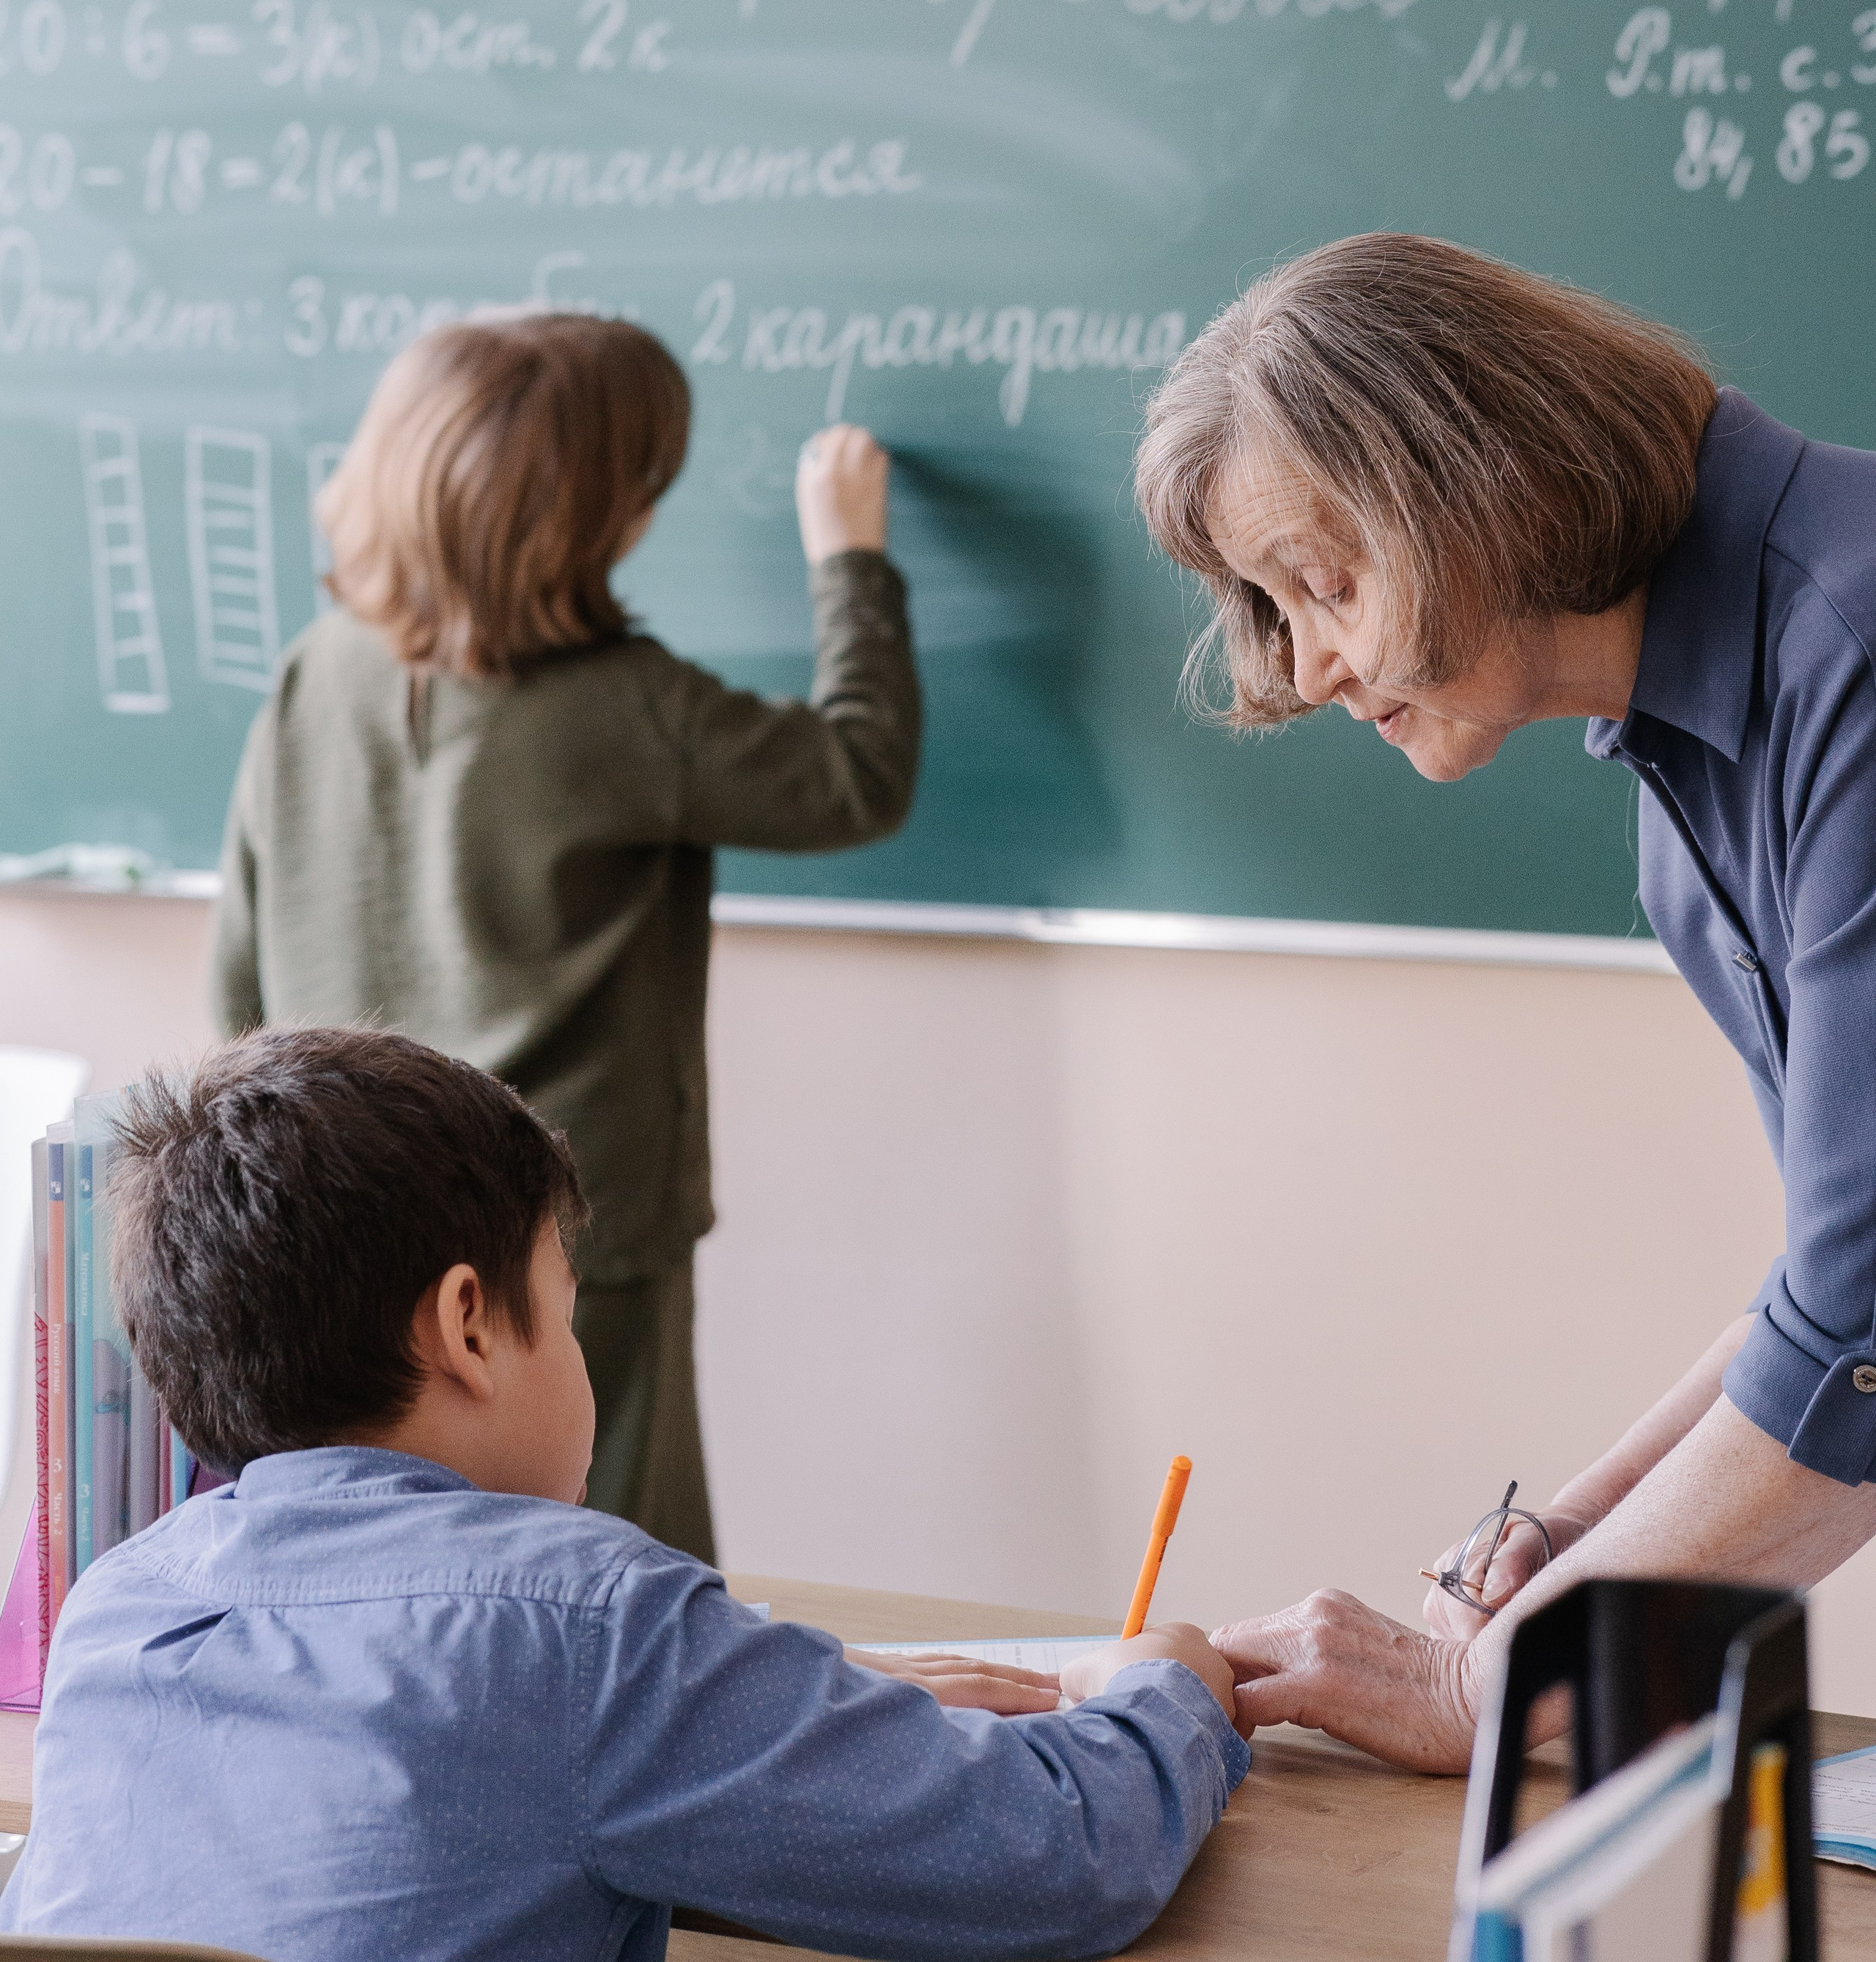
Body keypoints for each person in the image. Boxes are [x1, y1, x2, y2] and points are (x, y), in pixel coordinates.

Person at [0, 1028, 1246, 1959]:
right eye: (571, 1310)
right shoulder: (589, 1619)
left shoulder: (120, 1609)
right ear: (471, 1327)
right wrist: (1172, 1679)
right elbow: (1061, 1855)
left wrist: (788, 1695)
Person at [1134, 230, 1876, 1771]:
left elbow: (1867, 1324)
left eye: (1320, 583)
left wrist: (1485, 1687)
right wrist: (1569, 1531)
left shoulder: (1851, 657)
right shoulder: (1687, 753)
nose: (1313, 666)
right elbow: (1832, 1284)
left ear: (1483, 477)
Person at [213, 310, 921, 1563]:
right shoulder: (625, 706)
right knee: (621, 1562)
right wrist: (850, 559)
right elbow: (856, 775)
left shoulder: (313, 674)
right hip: (572, 1233)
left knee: (395, 1560)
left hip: (334, 1223)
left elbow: (241, 976)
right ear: (599, 524)